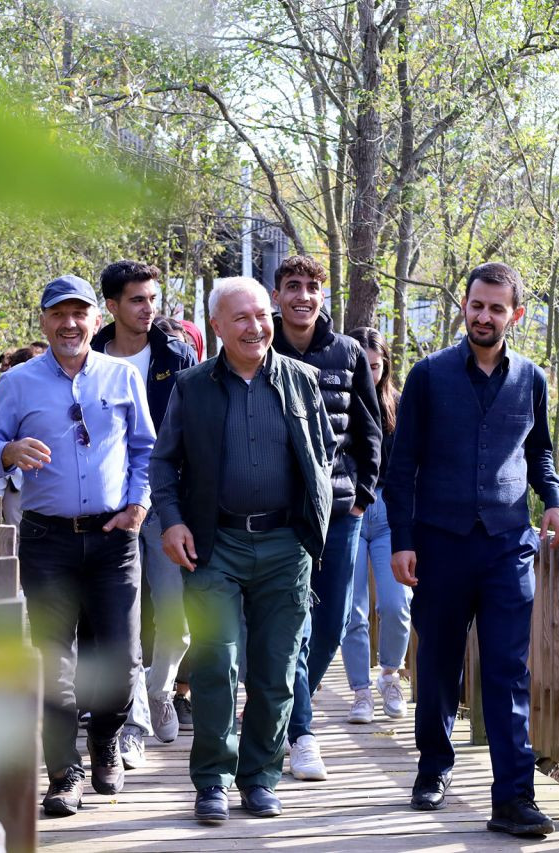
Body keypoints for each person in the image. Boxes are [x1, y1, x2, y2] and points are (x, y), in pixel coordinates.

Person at [384, 262, 559, 837]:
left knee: (509, 670)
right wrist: (403, 541)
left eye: (497, 308)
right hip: (439, 545)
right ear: (463, 307)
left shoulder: (531, 379)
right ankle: (434, 767)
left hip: (508, 546)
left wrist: (557, 500)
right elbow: (402, 466)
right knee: (438, 665)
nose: (484, 316)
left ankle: (513, 798)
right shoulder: (428, 376)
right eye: (477, 305)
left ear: (515, 315)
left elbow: (538, 452)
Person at [149, 277, 334, 824]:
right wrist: (173, 521)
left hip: (285, 546)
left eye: (262, 315)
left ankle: (260, 776)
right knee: (216, 663)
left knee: (276, 672)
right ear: (217, 327)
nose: (256, 327)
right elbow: (163, 463)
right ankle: (212, 779)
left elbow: (322, 458)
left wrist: (314, 528)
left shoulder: (302, 380)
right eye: (242, 318)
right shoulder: (192, 385)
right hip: (215, 545)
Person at [0, 274, 156, 818]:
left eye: (79, 314)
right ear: (44, 322)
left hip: (114, 539)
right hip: (48, 541)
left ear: (96, 319)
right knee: (54, 664)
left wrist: (138, 504)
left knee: (120, 663)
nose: (69, 324)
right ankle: (64, 774)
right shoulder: (18, 384)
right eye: (58, 314)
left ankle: (105, 741)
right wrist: (7, 453)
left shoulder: (121, 377)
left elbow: (147, 450)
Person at [269, 255, 381, 781]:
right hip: (278, 513)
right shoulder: (256, 347)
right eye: (293, 286)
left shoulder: (348, 352)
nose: (303, 297)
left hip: (340, 511)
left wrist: (362, 495)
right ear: (277, 295)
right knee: (294, 621)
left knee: (331, 623)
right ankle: (301, 734)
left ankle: (282, 705)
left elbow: (369, 429)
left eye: (313, 287)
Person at [90, 260, 197, 768]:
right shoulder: (87, 356)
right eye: (137, 299)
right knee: (121, 620)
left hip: (167, 499)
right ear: (111, 306)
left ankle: (161, 688)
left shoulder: (176, 353)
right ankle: (131, 722)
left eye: (153, 298)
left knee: (175, 620)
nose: (148, 308)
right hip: (110, 505)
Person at [339, 326, 411, 723]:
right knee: (353, 611)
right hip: (350, 510)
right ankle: (360, 692)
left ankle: (389, 674)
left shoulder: (398, 405)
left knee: (396, 604)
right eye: (361, 366)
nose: (369, 373)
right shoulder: (338, 404)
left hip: (389, 513)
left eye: (375, 366)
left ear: (385, 366)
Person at [0, 345, 41, 529]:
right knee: (12, 525)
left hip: (29, 478)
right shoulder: (0, 389)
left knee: (19, 525)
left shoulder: (43, 394)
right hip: (7, 471)